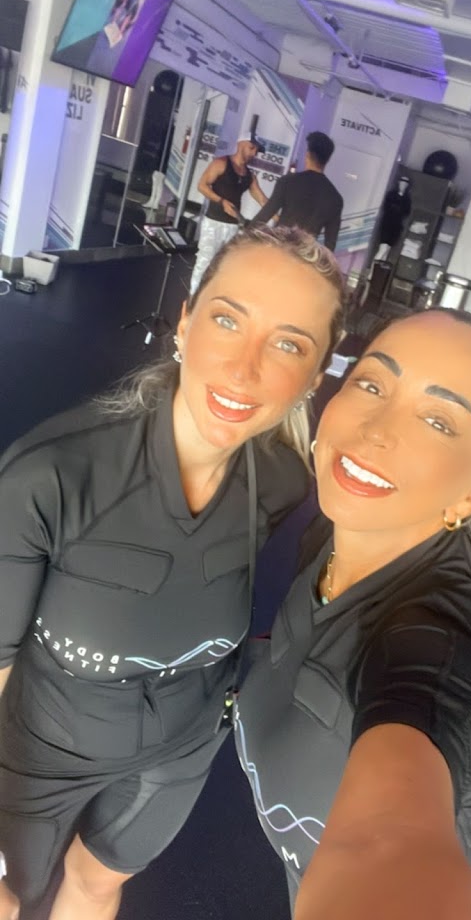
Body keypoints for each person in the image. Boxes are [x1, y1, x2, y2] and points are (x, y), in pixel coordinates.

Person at [0, 226, 346, 920]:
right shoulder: (49, 478)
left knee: (97, 884)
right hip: (39, 752)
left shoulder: (280, 481)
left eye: (288, 344)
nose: (244, 370)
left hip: (179, 750)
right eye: (228, 320)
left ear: (314, 379)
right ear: (185, 323)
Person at [236, 308, 471, 920]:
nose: (377, 429)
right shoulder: (334, 531)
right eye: (371, 383)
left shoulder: (437, 641)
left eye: (438, 421)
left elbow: (391, 840)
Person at [190, 134, 268, 294]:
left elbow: (262, 199)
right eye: (252, 148)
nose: (254, 153)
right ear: (241, 144)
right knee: (204, 262)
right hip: (213, 223)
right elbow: (202, 185)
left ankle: (211, 297)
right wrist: (221, 201)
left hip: (233, 226)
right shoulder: (221, 163)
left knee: (224, 266)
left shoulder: (249, 176)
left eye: (256, 150)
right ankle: (193, 298)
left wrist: (279, 217)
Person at [251, 131, 344, 251]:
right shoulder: (335, 198)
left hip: (279, 249)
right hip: (305, 256)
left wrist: (244, 238)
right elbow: (330, 244)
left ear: (308, 155)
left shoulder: (288, 181)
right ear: (327, 160)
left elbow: (265, 214)